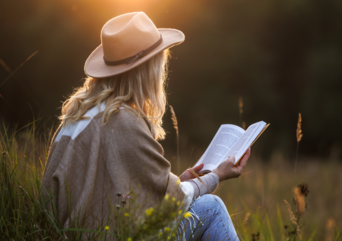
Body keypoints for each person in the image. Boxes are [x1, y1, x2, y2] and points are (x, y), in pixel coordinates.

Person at [41, 12, 250, 241]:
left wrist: (179, 180)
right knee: (211, 208)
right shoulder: (121, 120)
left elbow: (121, 194)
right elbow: (173, 200)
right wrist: (216, 176)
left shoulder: (74, 119)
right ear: (148, 70)